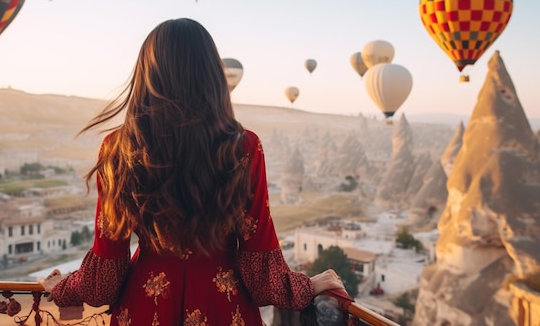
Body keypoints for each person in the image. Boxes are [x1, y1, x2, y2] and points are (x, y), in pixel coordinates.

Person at [38, 18, 346, 325]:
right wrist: (306, 287)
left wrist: (64, 287)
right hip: (224, 308)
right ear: (212, 74)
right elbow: (261, 269)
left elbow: (104, 278)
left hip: (145, 307)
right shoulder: (243, 147)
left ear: (147, 74)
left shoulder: (119, 148)